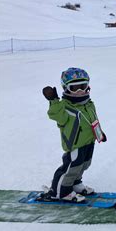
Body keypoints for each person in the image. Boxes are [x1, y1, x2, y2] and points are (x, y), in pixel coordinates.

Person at [41, 67, 106, 203]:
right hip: (75, 143)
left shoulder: (88, 104)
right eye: (74, 88)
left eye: (83, 86)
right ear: (65, 88)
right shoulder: (63, 107)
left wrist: (100, 133)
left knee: (84, 164)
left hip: (89, 141)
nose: (80, 91)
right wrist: (53, 100)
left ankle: (75, 184)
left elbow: (93, 119)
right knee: (71, 167)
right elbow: (55, 115)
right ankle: (60, 191)